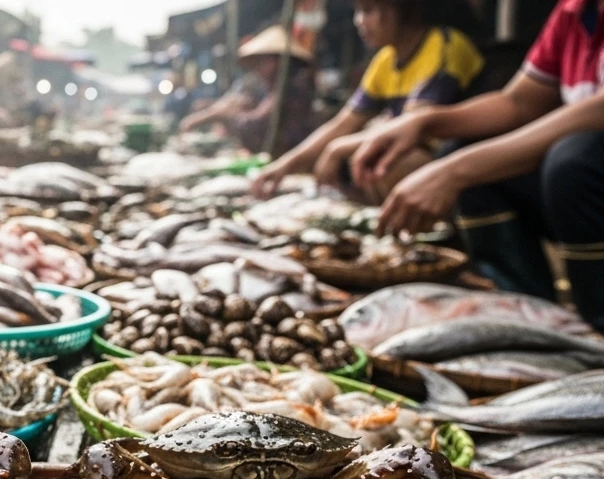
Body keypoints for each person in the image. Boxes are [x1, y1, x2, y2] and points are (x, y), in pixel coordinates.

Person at [352, 0, 604, 329]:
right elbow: (518, 101)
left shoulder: (442, 46)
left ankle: (596, 326)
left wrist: (456, 170)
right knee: (465, 153)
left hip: (583, 178)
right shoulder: (572, 12)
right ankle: (528, 317)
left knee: (572, 162)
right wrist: (425, 123)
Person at [252, 0, 483, 200]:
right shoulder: (385, 60)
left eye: (368, 10)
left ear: (401, 10)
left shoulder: (444, 46)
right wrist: (285, 165)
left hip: (462, 161)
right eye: (358, 11)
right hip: (422, 158)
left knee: (388, 162)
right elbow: (344, 123)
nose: (359, 21)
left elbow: (413, 128)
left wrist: (338, 148)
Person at [179, 26, 317, 155]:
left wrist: (225, 116)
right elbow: (239, 102)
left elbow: (255, 124)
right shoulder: (264, 87)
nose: (257, 67)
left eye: (262, 61)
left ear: (277, 61)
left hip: (289, 155)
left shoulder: (291, 88)